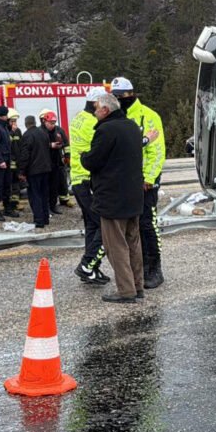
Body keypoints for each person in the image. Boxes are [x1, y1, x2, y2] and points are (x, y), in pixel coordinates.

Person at [81, 93, 144, 303]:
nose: (94, 111)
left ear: (106, 110)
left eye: (96, 108)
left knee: (115, 246)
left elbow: (93, 160)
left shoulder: (106, 130)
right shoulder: (132, 126)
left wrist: (82, 156)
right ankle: (137, 285)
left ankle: (126, 291)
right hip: (133, 195)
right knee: (133, 243)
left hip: (112, 197)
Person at [111, 76, 167, 289]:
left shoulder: (147, 116)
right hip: (124, 181)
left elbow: (157, 151)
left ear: (131, 94)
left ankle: (154, 268)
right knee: (129, 227)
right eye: (114, 96)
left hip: (144, 181)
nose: (118, 99)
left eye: (121, 96)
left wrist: (150, 179)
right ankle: (138, 267)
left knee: (147, 224)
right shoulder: (117, 117)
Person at [69, 87, 111, 285]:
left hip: (78, 179)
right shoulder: (94, 123)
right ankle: (87, 265)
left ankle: (92, 269)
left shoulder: (78, 118)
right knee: (105, 225)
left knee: (92, 226)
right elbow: (102, 150)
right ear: (97, 103)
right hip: (88, 180)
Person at [18, 115, 52, 228]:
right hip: (46, 169)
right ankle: (46, 218)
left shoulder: (27, 135)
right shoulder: (43, 133)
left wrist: (21, 171)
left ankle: (39, 220)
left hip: (34, 171)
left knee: (35, 195)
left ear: (26, 123)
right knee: (44, 195)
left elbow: (25, 155)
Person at [40, 110, 70, 214]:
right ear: (45, 121)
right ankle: (46, 207)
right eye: (50, 123)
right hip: (45, 164)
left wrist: (67, 156)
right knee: (46, 187)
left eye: (54, 123)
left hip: (57, 163)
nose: (52, 125)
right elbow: (38, 146)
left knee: (54, 187)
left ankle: (53, 206)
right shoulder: (40, 132)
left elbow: (66, 144)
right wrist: (50, 145)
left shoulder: (59, 131)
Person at [6, 108, 23, 215]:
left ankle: (15, 202)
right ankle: (8, 204)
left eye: (15, 121)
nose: (14, 123)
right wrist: (11, 132)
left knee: (16, 184)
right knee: (8, 185)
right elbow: (7, 144)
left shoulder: (18, 131)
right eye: (12, 121)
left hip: (17, 162)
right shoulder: (6, 131)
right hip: (8, 163)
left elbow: (20, 145)